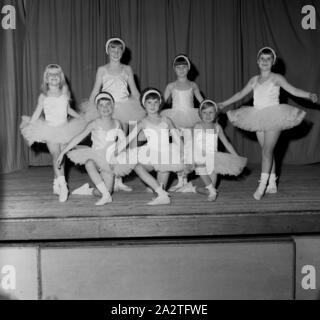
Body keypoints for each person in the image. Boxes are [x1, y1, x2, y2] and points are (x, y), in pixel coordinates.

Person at [218, 47, 318, 200]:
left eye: (268, 59)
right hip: (257, 116)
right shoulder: (253, 80)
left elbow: (293, 90)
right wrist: (223, 103)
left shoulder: (276, 78)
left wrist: (309, 95)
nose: (265, 61)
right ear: (258, 61)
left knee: (266, 152)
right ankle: (272, 183)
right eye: (262, 59)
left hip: (274, 116)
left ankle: (261, 186)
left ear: (273, 62)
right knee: (267, 152)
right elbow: (240, 94)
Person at [84, 37, 146, 192]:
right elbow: (96, 89)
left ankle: (118, 178)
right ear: (108, 51)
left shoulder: (127, 69)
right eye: (113, 49)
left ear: (123, 52)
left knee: (121, 144)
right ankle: (107, 174)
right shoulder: (102, 69)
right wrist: (90, 108)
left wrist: (144, 104)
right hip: (107, 108)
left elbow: (134, 90)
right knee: (108, 143)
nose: (116, 52)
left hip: (125, 108)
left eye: (119, 49)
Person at [20, 64, 85, 202]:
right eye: (51, 74)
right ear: (46, 79)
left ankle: (56, 184)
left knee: (63, 157)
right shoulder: (43, 96)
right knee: (56, 155)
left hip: (65, 128)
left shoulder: (65, 91)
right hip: (49, 129)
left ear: (60, 77)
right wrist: (30, 127)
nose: (54, 77)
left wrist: (81, 118)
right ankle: (63, 186)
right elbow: (37, 112)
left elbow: (67, 110)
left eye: (57, 74)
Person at [57, 92, 134, 206]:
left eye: (108, 104)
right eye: (101, 105)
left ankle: (88, 190)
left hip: (110, 158)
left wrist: (118, 155)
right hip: (96, 155)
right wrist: (63, 152)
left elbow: (123, 142)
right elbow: (79, 137)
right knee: (89, 163)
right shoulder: (95, 123)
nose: (105, 108)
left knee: (107, 190)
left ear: (112, 106)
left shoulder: (117, 123)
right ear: (97, 108)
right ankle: (106, 196)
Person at [116, 88, 186, 205]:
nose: (153, 105)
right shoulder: (143, 122)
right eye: (149, 102)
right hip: (150, 153)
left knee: (163, 170)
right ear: (144, 105)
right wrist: (117, 150)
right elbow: (129, 138)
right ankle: (162, 193)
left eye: (155, 102)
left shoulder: (166, 120)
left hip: (166, 153)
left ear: (160, 103)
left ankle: (160, 193)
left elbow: (177, 138)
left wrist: (184, 154)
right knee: (137, 166)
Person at [161, 54, 204, 192]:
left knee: (188, 149)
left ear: (188, 68)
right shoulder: (171, 85)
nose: (181, 69)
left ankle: (186, 178)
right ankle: (180, 180)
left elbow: (202, 102)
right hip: (175, 119)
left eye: (184, 67)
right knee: (177, 147)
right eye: (178, 67)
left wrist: (210, 111)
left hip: (190, 118)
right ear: (174, 69)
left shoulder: (193, 85)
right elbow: (161, 102)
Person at [191, 100, 247, 201]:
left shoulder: (217, 127)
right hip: (200, 155)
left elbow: (227, 144)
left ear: (216, 113)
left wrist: (236, 156)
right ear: (200, 114)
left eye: (211, 112)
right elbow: (193, 142)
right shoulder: (198, 126)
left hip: (213, 156)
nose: (207, 115)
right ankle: (211, 191)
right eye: (204, 113)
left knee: (211, 186)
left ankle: (195, 189)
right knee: (201, 167)